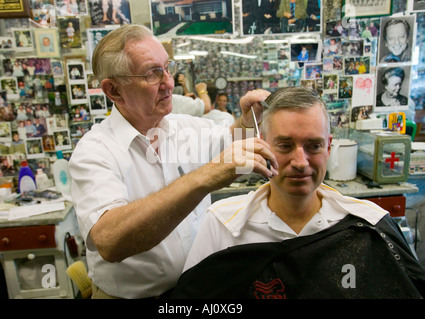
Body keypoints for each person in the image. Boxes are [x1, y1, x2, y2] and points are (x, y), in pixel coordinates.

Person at [68, 24, 277, 299]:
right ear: (114, 91)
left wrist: (249, 123)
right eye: (153, 74)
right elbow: (110, 242)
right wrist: (204, 178)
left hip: (196, 292)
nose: (169, 83)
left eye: (168, 68)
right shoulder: (95, 151)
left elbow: (233, 143)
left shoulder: (186, 128)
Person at [172, 87, 424, 299]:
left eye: (313, 146)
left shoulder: (368, 225)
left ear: (329, 147)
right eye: (285, 145)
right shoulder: (223, 225)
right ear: (262, 147)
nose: (300, 161)